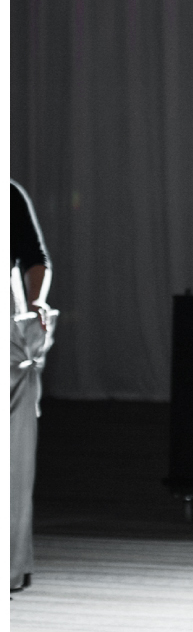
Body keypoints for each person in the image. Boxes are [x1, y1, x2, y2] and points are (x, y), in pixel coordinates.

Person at [11, 179, 55, 594]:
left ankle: (10, 564)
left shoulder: (8, 194)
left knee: (14, 459)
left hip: (8, 335)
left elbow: (34, 257)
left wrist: (37, 301)